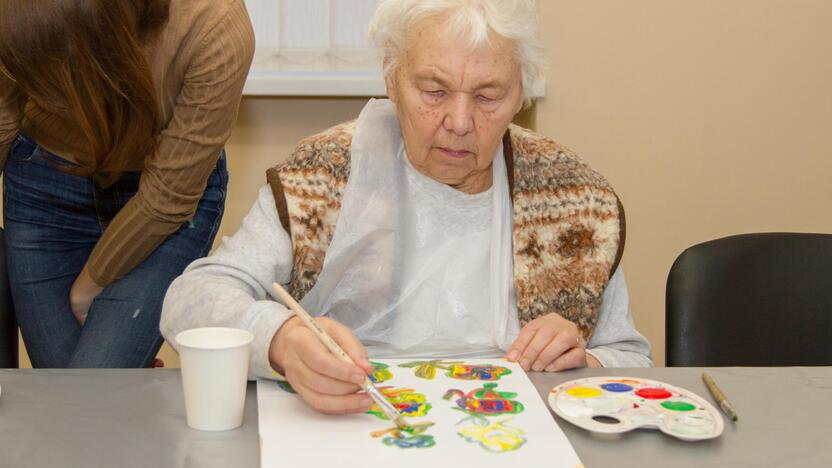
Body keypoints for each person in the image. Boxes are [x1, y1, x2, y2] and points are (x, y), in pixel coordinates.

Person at [162, 0, 651, 414]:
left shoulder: (572, 198)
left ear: (520, 93)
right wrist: (282, 340)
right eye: (434, 91)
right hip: (350, 427)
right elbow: (190, 300)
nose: (459, 121)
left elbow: (632, 358)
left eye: (488, 96)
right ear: (391, 76)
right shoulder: (323, 176)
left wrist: (586, 363)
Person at [0, 0, 254, 368]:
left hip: (163, 204)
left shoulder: (214, 24)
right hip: (44, 190)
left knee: (94, 388)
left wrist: (91, 284)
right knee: (69, 401)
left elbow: (166, 198)